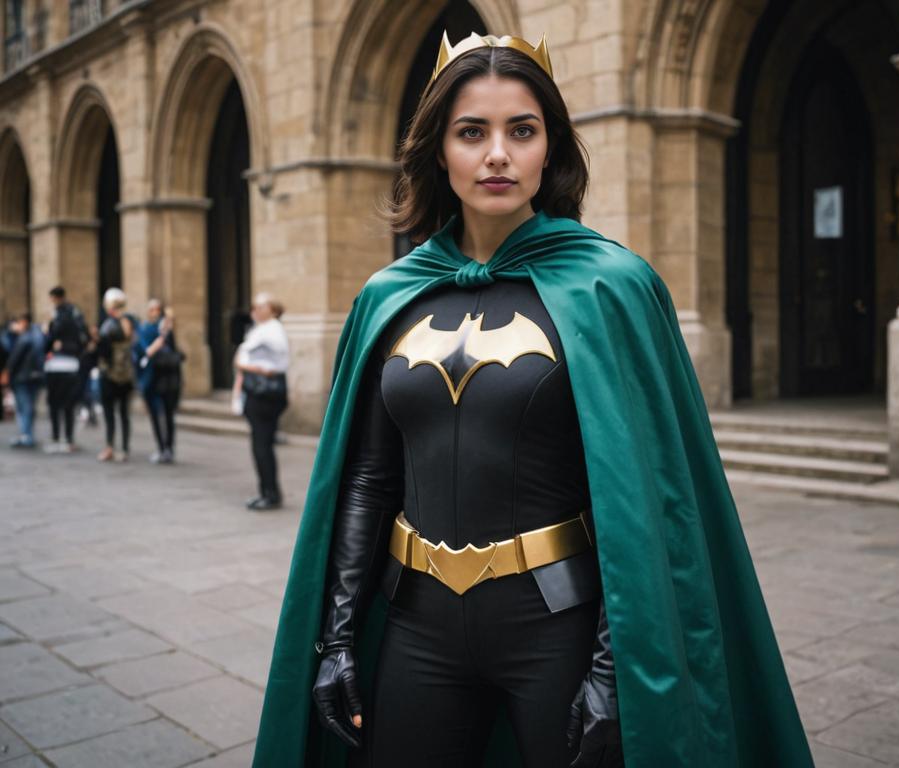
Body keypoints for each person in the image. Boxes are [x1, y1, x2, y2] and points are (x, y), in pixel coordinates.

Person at [254, 32, 812, 768]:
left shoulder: (610, 285)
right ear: (438, 151)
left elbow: (642, 501)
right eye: (471, 132)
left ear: (550, 147)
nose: (497, 155)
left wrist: (613, 671)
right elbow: (366, 476)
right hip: (417, 627)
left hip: (557, 627)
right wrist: (336, 635)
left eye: (522, 130)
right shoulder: (391, 295)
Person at [234, 292, 289, 510]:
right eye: (254, 307)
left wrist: (251, 367)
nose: (254, 311)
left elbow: (241, 358)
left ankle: (269, 493)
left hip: (263, 393)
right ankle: (268, 491)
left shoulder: (269, 330)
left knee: (261, 445)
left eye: (260, 307)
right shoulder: (266, 329)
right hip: (265, 392)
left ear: (272, 309)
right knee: (263, 444)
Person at [134, 299, 183, 464]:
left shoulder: (166, 332)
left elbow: (175, 354)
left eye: (157, 309)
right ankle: (161, 447)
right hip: (151, 379)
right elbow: (144, 353)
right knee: (155, 415)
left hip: (167, 379)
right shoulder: (145, 330)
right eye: (152, 309)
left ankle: (169, 448)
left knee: (168, 415)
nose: (154, 312)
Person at [43, 286, 89, 453]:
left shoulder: (58, 316)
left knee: (56, 404)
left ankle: (57, 436)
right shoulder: (76, 313)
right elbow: (84, 338)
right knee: (68, 405)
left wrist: (51, 341)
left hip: (57, 363)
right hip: (71, 363)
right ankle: (68, 438)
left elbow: (48, 339)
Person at [96, 288, 137, 462]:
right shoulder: (130, 322)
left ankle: (111, 447)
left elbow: (103, 350)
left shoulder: (109, 324)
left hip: (111, 373)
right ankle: (123, 449)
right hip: (126, 373)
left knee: (111, 413)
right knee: (122, 413)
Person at [5, 313, 45, 447]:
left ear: (23, 322)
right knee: (29, 407)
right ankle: (28, 435)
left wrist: (7, 372)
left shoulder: (24, 338)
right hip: (35, 376)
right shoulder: (38, 336)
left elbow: (14, 359)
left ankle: (26, 435)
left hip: (22, 377)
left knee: (24, 407)